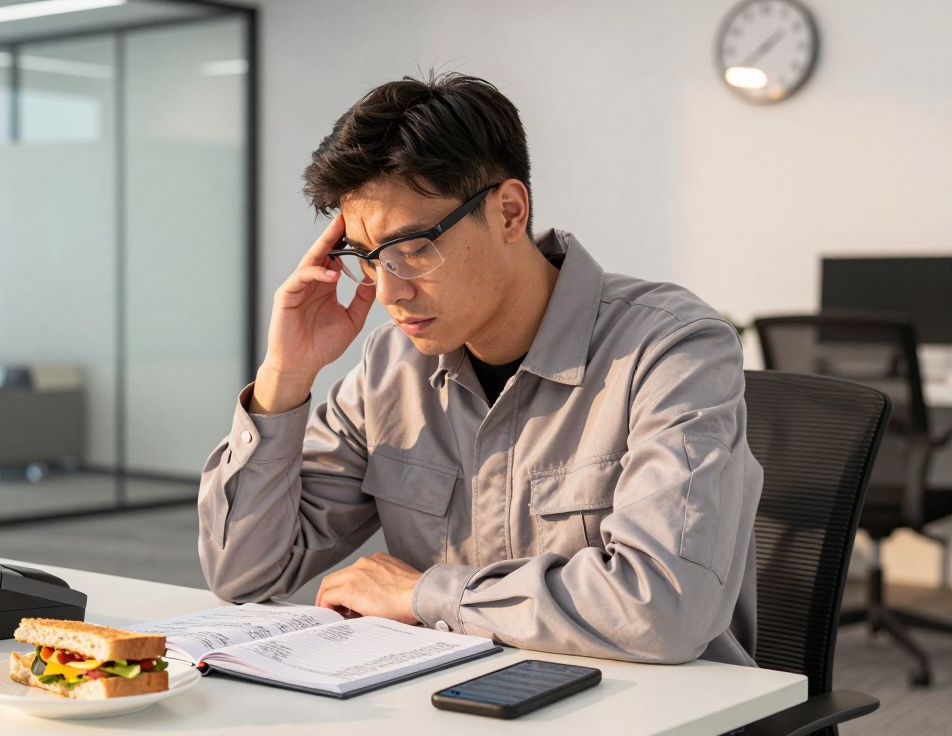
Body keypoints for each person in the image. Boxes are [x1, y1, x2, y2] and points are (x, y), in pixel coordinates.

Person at [198, 72, 762, 666]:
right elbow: (245, 574)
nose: (388, 292)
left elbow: (663, 608)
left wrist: (423, 595)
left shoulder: (671, 349)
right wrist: (285, 377)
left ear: (509, 212)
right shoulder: (391, 366)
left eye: (413, 249)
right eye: (365, 258)